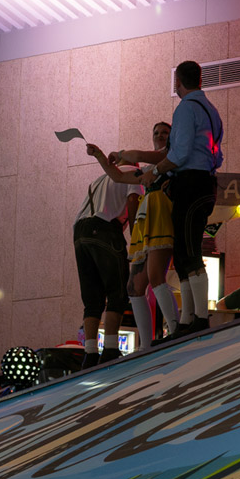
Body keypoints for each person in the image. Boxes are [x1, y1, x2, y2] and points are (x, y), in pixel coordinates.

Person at [152, 60, 223, 335]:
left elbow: (179, 154)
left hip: (190, 184)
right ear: (200, 80)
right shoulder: (212, 111)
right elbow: (218, 156)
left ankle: (199, 318)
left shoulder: (185, 109)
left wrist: (155, 171)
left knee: (189, 251)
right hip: (206, 183)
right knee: (184, 252)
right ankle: (187, 319)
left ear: (177, 82)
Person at [74, 144, 141, 367]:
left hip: (80, 233)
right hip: (105, 229)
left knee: (92, 298)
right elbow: (133, 202)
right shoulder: (134, 174)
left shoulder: (98, 180)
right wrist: (136, 239)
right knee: (117, 290)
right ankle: (111, 348)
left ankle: (90, 352)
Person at [115, 122, 181, 345]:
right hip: (147, 222)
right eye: (156, 133)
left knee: (155, 277)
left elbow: (140, 157)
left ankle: (175, 330)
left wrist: (120, 154)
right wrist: (101, 158)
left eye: (164, 132)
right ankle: (144, 345)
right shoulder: (149, 168)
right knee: (133, 287)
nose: (160, 136)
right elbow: (118, 177)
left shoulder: (173, 157)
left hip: (162, 217)